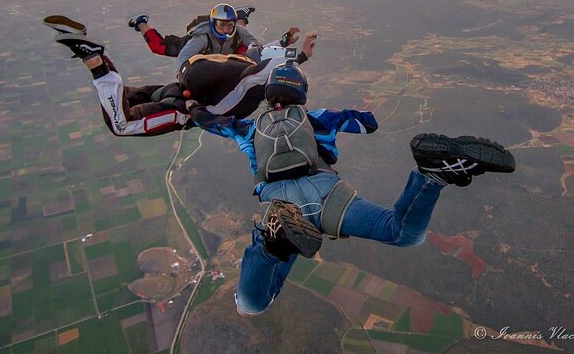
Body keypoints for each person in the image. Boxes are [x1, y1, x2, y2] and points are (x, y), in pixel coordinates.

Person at [186, 61, 516, 317]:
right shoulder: (318, 117)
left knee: (251, 305)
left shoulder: (247, 127)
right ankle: (431, 175)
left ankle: (273, 244)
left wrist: (191, 107)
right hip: (328, 193)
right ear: (301, 93)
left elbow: (208, 121)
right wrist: (348, 113)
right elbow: (368, 122)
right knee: (402, 232)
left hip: (282, 204)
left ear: (268, 94)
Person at [43, 14, 316, 136]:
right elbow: (262, 53)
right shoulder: (239, 56)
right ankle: (94, 59)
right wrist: (296, 52)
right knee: (121, 124)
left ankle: (94, 56)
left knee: (125, 97)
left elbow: (158, 44)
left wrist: (141, 23)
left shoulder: (193, 44)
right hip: (187, 105)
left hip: (180, 85)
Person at [127, 3, 300, 77]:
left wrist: (284, 41)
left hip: (222, 52)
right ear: (212, 23)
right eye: (220, 25)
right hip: (201, 52)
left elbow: (258, 49)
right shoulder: (201, 38)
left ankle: (240, 16)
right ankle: (141, 23)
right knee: (158, 47)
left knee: (246, 54)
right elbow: (183, 58)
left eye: (229, 25)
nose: (225, 29)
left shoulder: (237, 31)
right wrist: (183, 77)